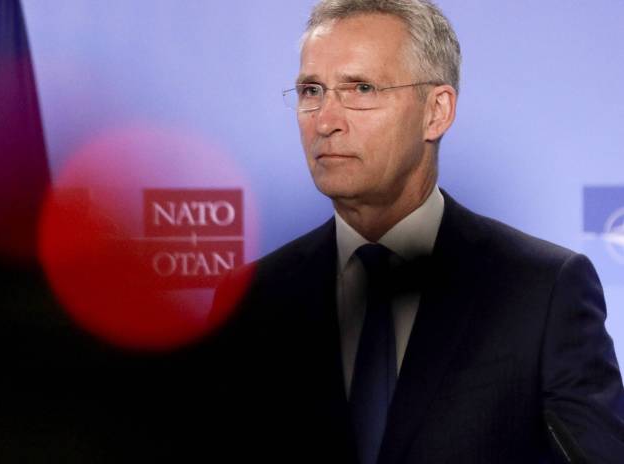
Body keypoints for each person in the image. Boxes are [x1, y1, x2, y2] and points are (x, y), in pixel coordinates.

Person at [200, 1, 624, 463]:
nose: (325, 120)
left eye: (361, 88)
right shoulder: (251, 300)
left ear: (436, 111)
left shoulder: (541, 290)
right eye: (311, 90)